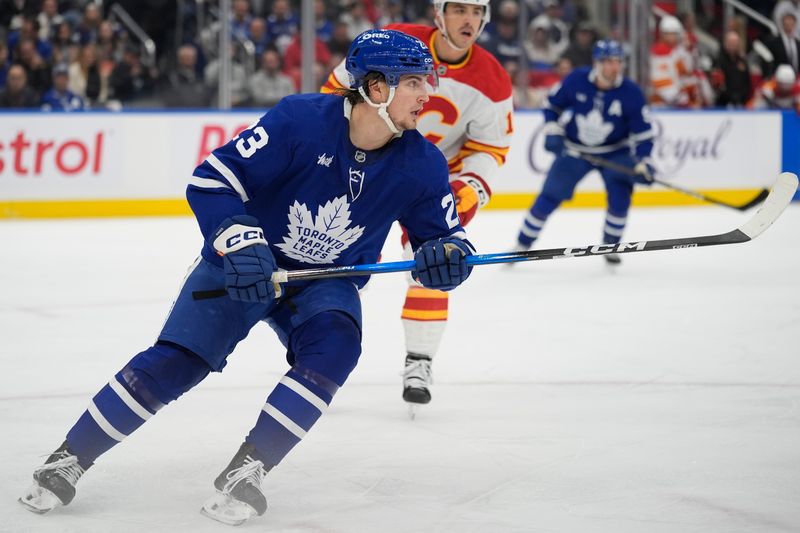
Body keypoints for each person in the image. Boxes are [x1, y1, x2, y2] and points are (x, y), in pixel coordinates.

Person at [18, 29, 474, 526]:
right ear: (376, 88)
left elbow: (445, 239)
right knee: (178, 362)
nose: (427, 94)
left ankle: (248, 469)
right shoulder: (299, 122)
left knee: (337, 346)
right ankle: (70, 457)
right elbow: (212, 181)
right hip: (243, 266)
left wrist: (447, 257)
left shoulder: (424, 164)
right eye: (414, 82)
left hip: (323, 281)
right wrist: (238, 239)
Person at [321, 0, 513, 410]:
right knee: (330, 249)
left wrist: (470, 186)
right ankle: (314, 345)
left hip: (429, 179)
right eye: (459, 10)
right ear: (439, 13)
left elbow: (490, 148)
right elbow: (335, 93)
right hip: (369, 161)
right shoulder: (394, 42)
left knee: (433, 260)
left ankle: (419, 360)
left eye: (477, 12)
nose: (469, 20)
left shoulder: (493, 80)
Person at [513, 39, 655, 265]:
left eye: (618, 62)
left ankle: (611, 244)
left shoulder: (631, 92)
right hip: (575, 149)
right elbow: (552, 105)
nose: (614, 67)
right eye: (609, 62)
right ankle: (522, 244)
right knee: (550, 195)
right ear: (596, 63)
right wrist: (552, 130)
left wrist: (643, 162)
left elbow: (644, 133)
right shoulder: (577, 79)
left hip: (614, 152)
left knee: (620, 198)